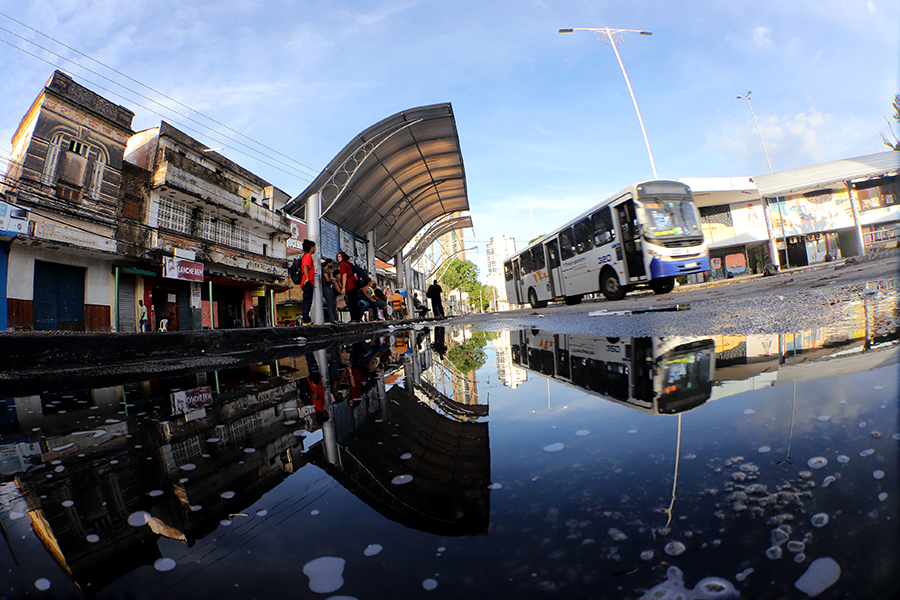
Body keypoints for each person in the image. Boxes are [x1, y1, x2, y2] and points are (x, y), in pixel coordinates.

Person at [337, 252, 362, 323]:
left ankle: (353, 318)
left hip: (349, 285)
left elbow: (344, 275)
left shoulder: (342, 264)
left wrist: (343, 287)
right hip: (354, 284)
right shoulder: (349, 263)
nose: (338, 258)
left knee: (352, 302)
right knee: (355, 302)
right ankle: (357, 318)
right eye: (338, 256)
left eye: (340, 256)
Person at [299, 239, 316, 325]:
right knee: (307, 301)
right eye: (314, 247)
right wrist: (307, 278)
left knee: (308, 301)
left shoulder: (307, 255)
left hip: (309, 282)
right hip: (308, 282)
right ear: (311, 247)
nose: (315, 249)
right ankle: (306, 319)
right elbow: (305, 266)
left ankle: (307, 319)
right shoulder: (308, 255)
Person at [321, 258, 339, 323]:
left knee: (333, 303)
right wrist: (332, 280)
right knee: (329, 303)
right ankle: (332, 319)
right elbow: (328, 279)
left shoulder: (328, 271)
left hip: (328, 287)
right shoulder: (324, 270)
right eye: (331, 263)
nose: (331, 265)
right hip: (325, 287)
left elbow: (330, 278)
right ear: (328, 263)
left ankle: (336, 318)